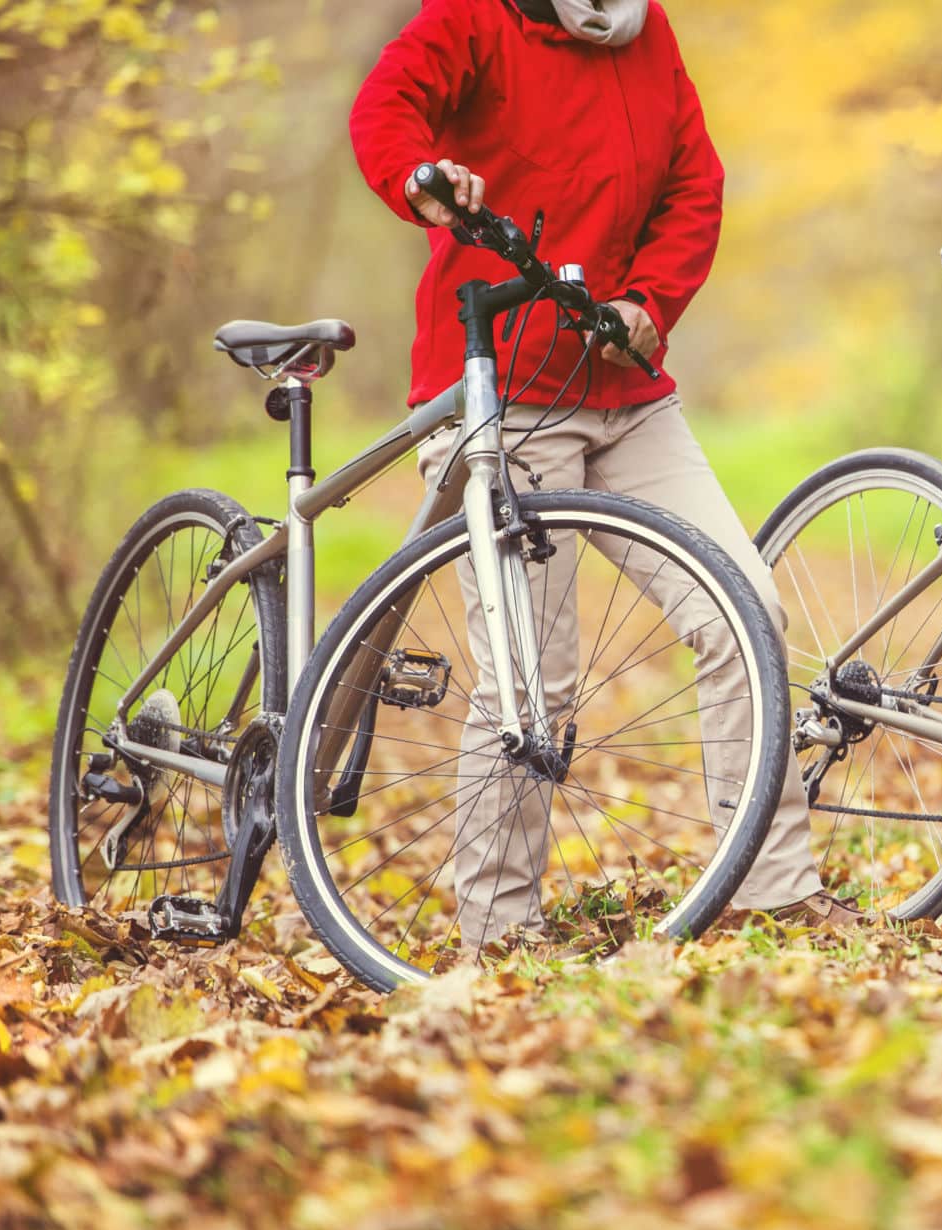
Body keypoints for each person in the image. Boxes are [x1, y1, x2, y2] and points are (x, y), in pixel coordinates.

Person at [349, 0, 858, 946]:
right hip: (504, 394)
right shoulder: (473, 18)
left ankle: (777, 892)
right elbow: (387, 105)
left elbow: (694, 182)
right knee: (529, 682)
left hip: (626, 390)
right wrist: (417, 173)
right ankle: (499, 932)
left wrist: (651, 301)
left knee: (746, 613)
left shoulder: (645, 31)